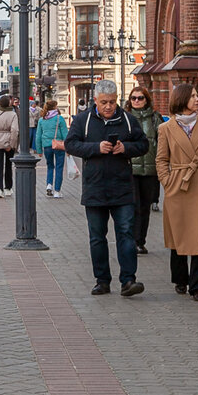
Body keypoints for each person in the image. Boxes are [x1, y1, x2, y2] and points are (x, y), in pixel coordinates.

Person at [64, 80, 149, 297]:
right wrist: (96, 148)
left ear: (117, 99)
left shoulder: (128, 121)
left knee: (126, 235)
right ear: (95, 101)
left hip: (122, 188)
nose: (109, 107)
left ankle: (128, 280)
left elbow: (143, 144)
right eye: (104, 103)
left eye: (112, 102)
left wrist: (125, 148)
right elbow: (71, 144)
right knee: (97, 237)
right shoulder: (83, 120)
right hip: (94, 188)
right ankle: (102, 280)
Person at [155, 84, 198, 302]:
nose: (197, 99)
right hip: (179, 186)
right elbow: (162, 159)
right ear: (182, 99)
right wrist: (167, 182)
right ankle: (180, 278)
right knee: (179, 236)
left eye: (197, 95)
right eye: (192, 96)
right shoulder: (166, 129)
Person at [127, 86, 165, 254]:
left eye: (140, 98)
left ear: (146, 100)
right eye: (133, 98)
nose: (136, 101)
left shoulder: (155, 118)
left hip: (150, 170)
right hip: (130, 170)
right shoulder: (125, 118)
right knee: (133, 206)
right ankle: (132, 241)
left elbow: (162, 141)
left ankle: (141, 241)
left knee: (144, 208)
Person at [34, 99, 68, 198]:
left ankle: (49, 184)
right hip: (59, 145)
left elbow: (38, 135)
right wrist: (69, 148)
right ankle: (57, 191)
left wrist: (39, 150)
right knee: (59, 167)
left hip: (47, 146)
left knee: (50, 166)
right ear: (54, 107)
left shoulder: (42, 119)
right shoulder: (59, 118)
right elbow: (65, 134)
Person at [0, 96, 18, 198]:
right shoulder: (13, 114)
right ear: (9, 103)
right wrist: (12, 144)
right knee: (8, 165)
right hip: (8, 140)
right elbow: (15, 130)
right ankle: (8, 188)